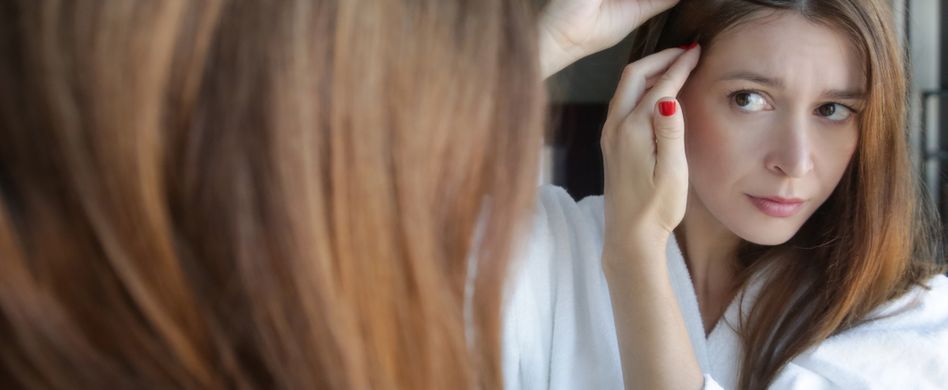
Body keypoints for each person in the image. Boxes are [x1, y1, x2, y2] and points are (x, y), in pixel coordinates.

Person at [504, 0, 948, 389]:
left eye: (832, 110)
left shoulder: (916, 321)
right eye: (750, 99)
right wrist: (543, 45)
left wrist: (634, 255)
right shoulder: (541, 245)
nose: (795, 161)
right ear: (664, 87)